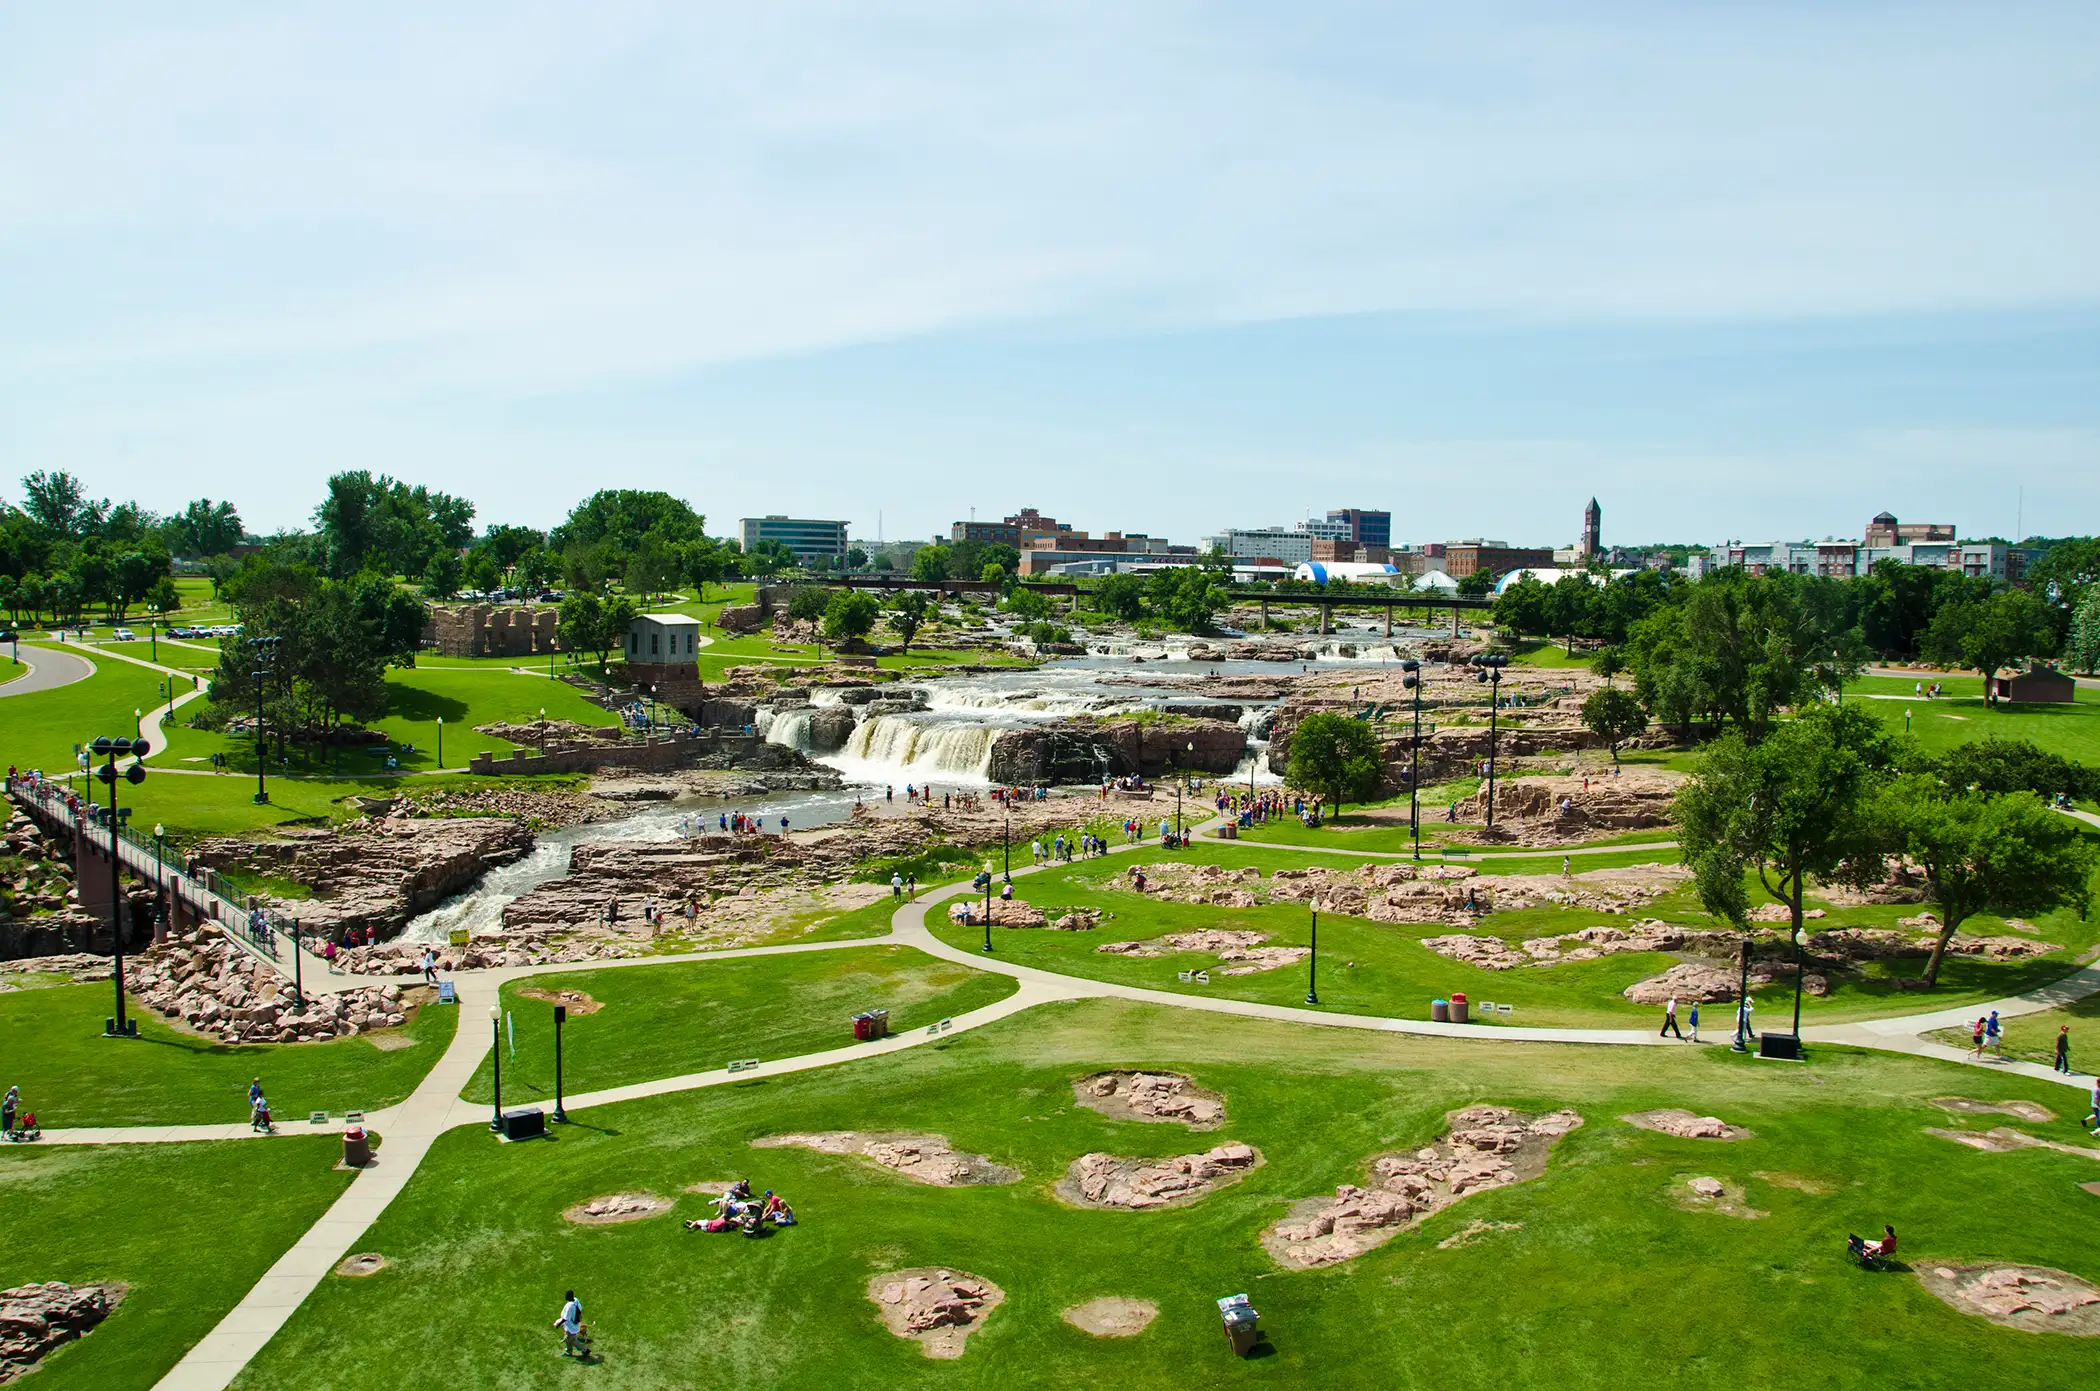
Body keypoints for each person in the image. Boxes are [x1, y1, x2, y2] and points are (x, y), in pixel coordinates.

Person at [555, 1290, 586, 1357]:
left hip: (570, 1326)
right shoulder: (576, 1300)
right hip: (575, 1324)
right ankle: (569, 1351)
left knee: (572, 1340)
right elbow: (580, 1309)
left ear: (568, 1296)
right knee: (568, 1339)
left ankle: (584, 1350)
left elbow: (565, 1319)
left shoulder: (569, 1306)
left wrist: (558, 1324)